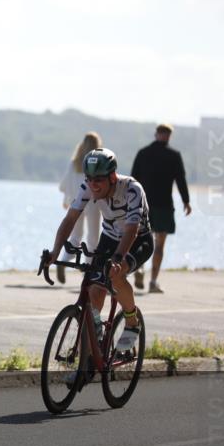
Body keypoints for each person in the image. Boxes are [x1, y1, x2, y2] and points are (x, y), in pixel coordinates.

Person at [46, 148, 154, 355]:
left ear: (112, 177)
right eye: (90, 178)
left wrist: (117, 259)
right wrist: (55, 251)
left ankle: (132, 323)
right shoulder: (88, 186)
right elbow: (70, 219)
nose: (93, 184)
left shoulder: (132, 189)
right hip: (110, 237)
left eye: (99, 180)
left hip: (138, 239)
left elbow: (131, 229)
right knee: (93, 289)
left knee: (116, 274)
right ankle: (93, 343)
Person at [130, 124, 191, 293]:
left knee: (140, 239)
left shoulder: (143, 153)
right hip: (163, 204)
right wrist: (186, 201)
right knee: (159, 244)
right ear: (165, 135)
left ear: (157, 134)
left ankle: (140, 268)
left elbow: (133, 178)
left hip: (145, 204)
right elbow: (181, 179)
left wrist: (129, 201)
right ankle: (153, 281)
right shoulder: (173, 155)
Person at [56, 132, 103, 283]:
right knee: (93, 238)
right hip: (93, 203)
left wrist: (66, 198)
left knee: (75, 237)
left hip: (75, 203)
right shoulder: (97, 162)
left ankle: (64, 261)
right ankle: (88, 270)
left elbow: (64, 184)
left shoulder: (74, 162)